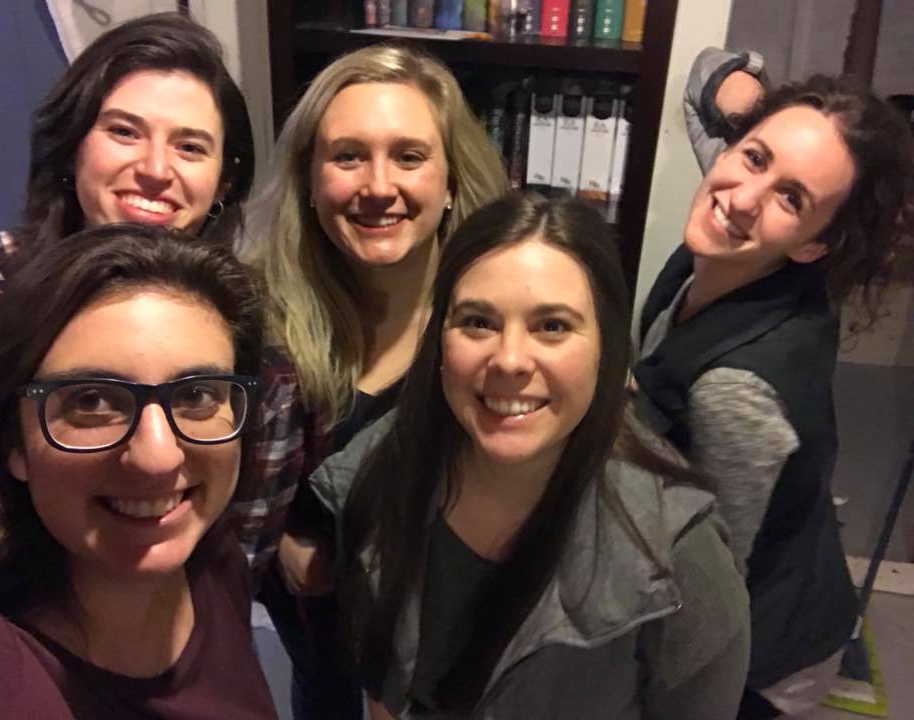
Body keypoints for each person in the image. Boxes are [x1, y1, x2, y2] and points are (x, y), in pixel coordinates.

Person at [300, 194, 750, 719]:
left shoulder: (680, 560)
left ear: (606, 348)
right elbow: (384, 677)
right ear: (440, 340)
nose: (510, 360)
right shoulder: (382, 466)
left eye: (552, 326)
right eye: (478, 322)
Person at [633, 48, 914, 718]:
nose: (742, 198)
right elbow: (703, 74)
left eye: (793, 197)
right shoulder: (745, 230)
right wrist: (772, 113)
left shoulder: (733, 392)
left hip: (762, 653)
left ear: (815, 244)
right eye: (755, 156)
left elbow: (708, 593)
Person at [241, 44, 509, 719]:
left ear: (451, 180)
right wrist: (282, 546)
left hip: (451, 662)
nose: (379, 186)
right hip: (317, 642)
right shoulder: (251, 317)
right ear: (309, 179)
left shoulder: (503, 322)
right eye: (348, 156)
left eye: (409, 156)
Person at [0, 223, 279, 718]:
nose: (158, 457)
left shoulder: (214, 562)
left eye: (196, 395)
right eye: (92, 401)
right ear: (12, 442)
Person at [0, 11, 255, 425]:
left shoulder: (249, 330)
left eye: (189, 147)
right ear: (71, 147)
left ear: (223, 183)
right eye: (124, 132)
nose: (155, 170)